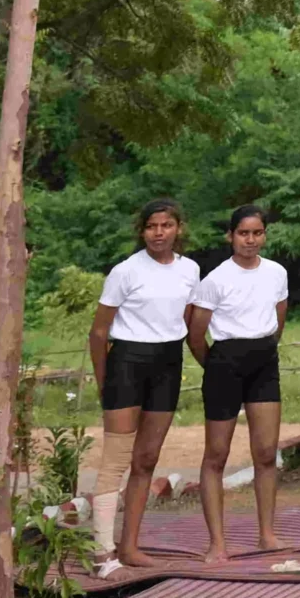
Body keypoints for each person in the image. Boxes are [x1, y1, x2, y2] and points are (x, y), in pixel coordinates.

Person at [88, 198, 201, 569]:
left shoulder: (190, 270)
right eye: (151, 226)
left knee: (147, 459)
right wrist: (106, 384)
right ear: (142, 231)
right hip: (127, 364)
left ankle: (129, 546)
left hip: (167, 363)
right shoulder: (124, 271)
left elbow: (184, 322)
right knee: (116, 459)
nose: (158, 233)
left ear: (178, 228)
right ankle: (102, 550)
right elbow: (98, 332)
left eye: (166, 225)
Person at [187, 205, 288, 564]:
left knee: (265, 451)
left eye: (257, 233)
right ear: (230, 236)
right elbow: (196, 335)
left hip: (264, 362)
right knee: (217, 455)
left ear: (264, 235)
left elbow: (279, 318)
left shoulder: (276, 272)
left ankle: (267, 533)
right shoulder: (215, 279)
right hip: (224, 363)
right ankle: (217, 542)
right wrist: (214, 365)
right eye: (243, 233)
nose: (251, 240)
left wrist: (261, 352)